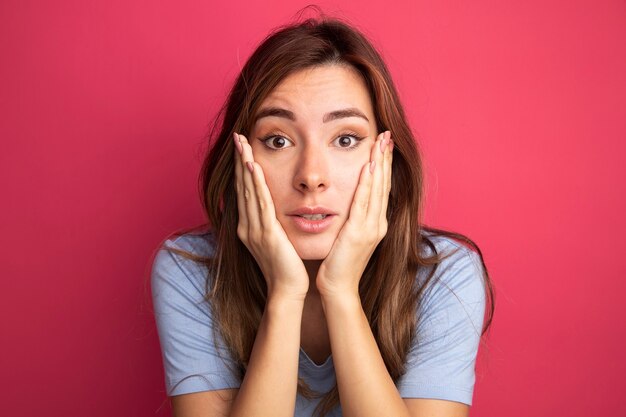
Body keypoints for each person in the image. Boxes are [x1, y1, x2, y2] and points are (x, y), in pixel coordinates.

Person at [151, 16, 494, 417]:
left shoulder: (445, 273)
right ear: (242, 158)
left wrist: (341, 293)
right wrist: (284, 294)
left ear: (386, 157)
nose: (311, 176)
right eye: (278, 140)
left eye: (345, 139)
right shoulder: (190, 268)